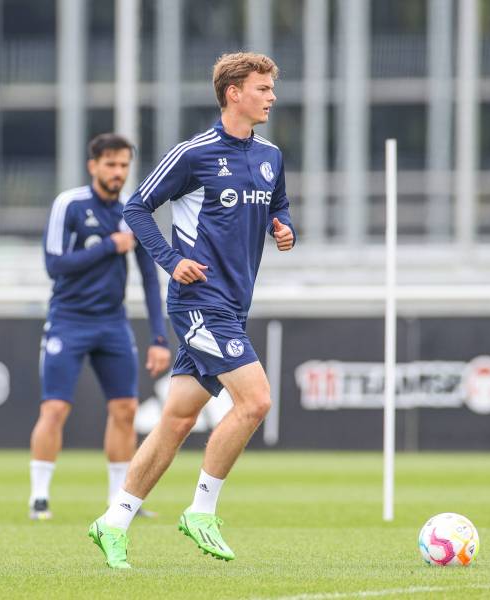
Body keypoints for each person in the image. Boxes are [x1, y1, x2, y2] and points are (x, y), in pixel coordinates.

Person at [87, 52, 296, 569]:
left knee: (177, 421)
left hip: (234, 305)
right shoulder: (193, 153)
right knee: (256, 401)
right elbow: (136, 207)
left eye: (272, 88)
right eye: (263, 88)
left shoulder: (270, 156)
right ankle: (202, 511)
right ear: (233, 93)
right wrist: (172, 261)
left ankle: (113, 521)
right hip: (199, 303)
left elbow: (278, 205)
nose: (272, 97)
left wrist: (284, 228)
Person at [31, 134, 171, 520]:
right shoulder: (69, 204)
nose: (118, 172)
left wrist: (159, 338)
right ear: (93, 166)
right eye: (110, 164)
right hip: (68, 320)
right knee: (55, 407)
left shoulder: (133, 210)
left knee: (125, 409)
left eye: (124, 165)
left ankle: (119, 500)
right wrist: (109, 246)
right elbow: (54, 265)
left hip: (112, 323)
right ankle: (39, 497)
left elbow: (149, 278)